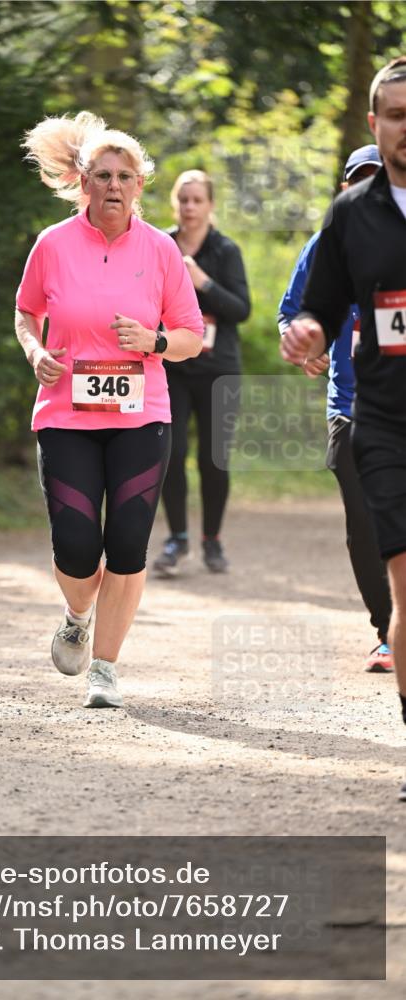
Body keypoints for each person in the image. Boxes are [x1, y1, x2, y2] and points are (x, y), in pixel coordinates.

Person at [15, 111, 204, 708]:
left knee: (126, 544)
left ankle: (105, 667)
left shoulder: (162, 251)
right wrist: (36, 348)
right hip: (66, 413)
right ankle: (76, 614)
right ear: (83, 182)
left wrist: (153, 342)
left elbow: (191, 336)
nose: (114, 186)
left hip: (141, 414)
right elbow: (25, 312)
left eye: (125, 176)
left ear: (140, 184)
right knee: (75, 545)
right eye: (102, 175)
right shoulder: (52, 245)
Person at [280, 56, 406, 800]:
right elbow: (318, 304)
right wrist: (304, 329)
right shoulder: (351, 215)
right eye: (395, 117)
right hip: (384, 420)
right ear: (373, 125)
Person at [278, 144, 393, 674]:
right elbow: (291, 312)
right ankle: (388, 629)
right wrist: (304, 341)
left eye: (377, 177)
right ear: (344, 187)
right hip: (350, 406)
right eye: (357, 179)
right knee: (365, 523)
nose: (366, 187)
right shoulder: (325, 244)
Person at [152, 169, 250, 577]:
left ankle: (212, 540)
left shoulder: (225, 250)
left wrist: (203, 282)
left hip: (218, 370)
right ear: (175, 203)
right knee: (170, 456)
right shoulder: (159, 245)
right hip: (171, 367)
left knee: (214, 459)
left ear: (210, 205)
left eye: (198, 200)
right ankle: (177, 539)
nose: (190, 207)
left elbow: (241, 310)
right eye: (184, 200)